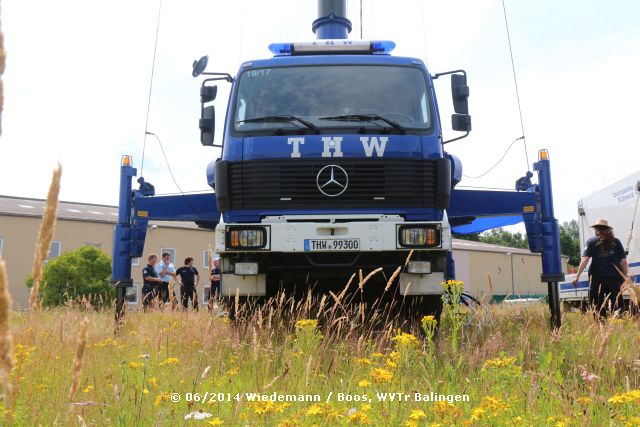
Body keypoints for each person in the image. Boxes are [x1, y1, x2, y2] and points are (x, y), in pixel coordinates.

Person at [572, 218, 629, 318]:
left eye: (596, 230)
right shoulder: (616, 242)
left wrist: (577, 276)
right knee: (617, 307)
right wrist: (625, 279)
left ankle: (600, 326)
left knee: (597, 307)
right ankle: (618, 326)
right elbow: (624, 262)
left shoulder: (591, 241)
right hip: (614, 279)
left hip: (596, 280)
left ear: (597, 230)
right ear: (608, 230)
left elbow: (585, 259)